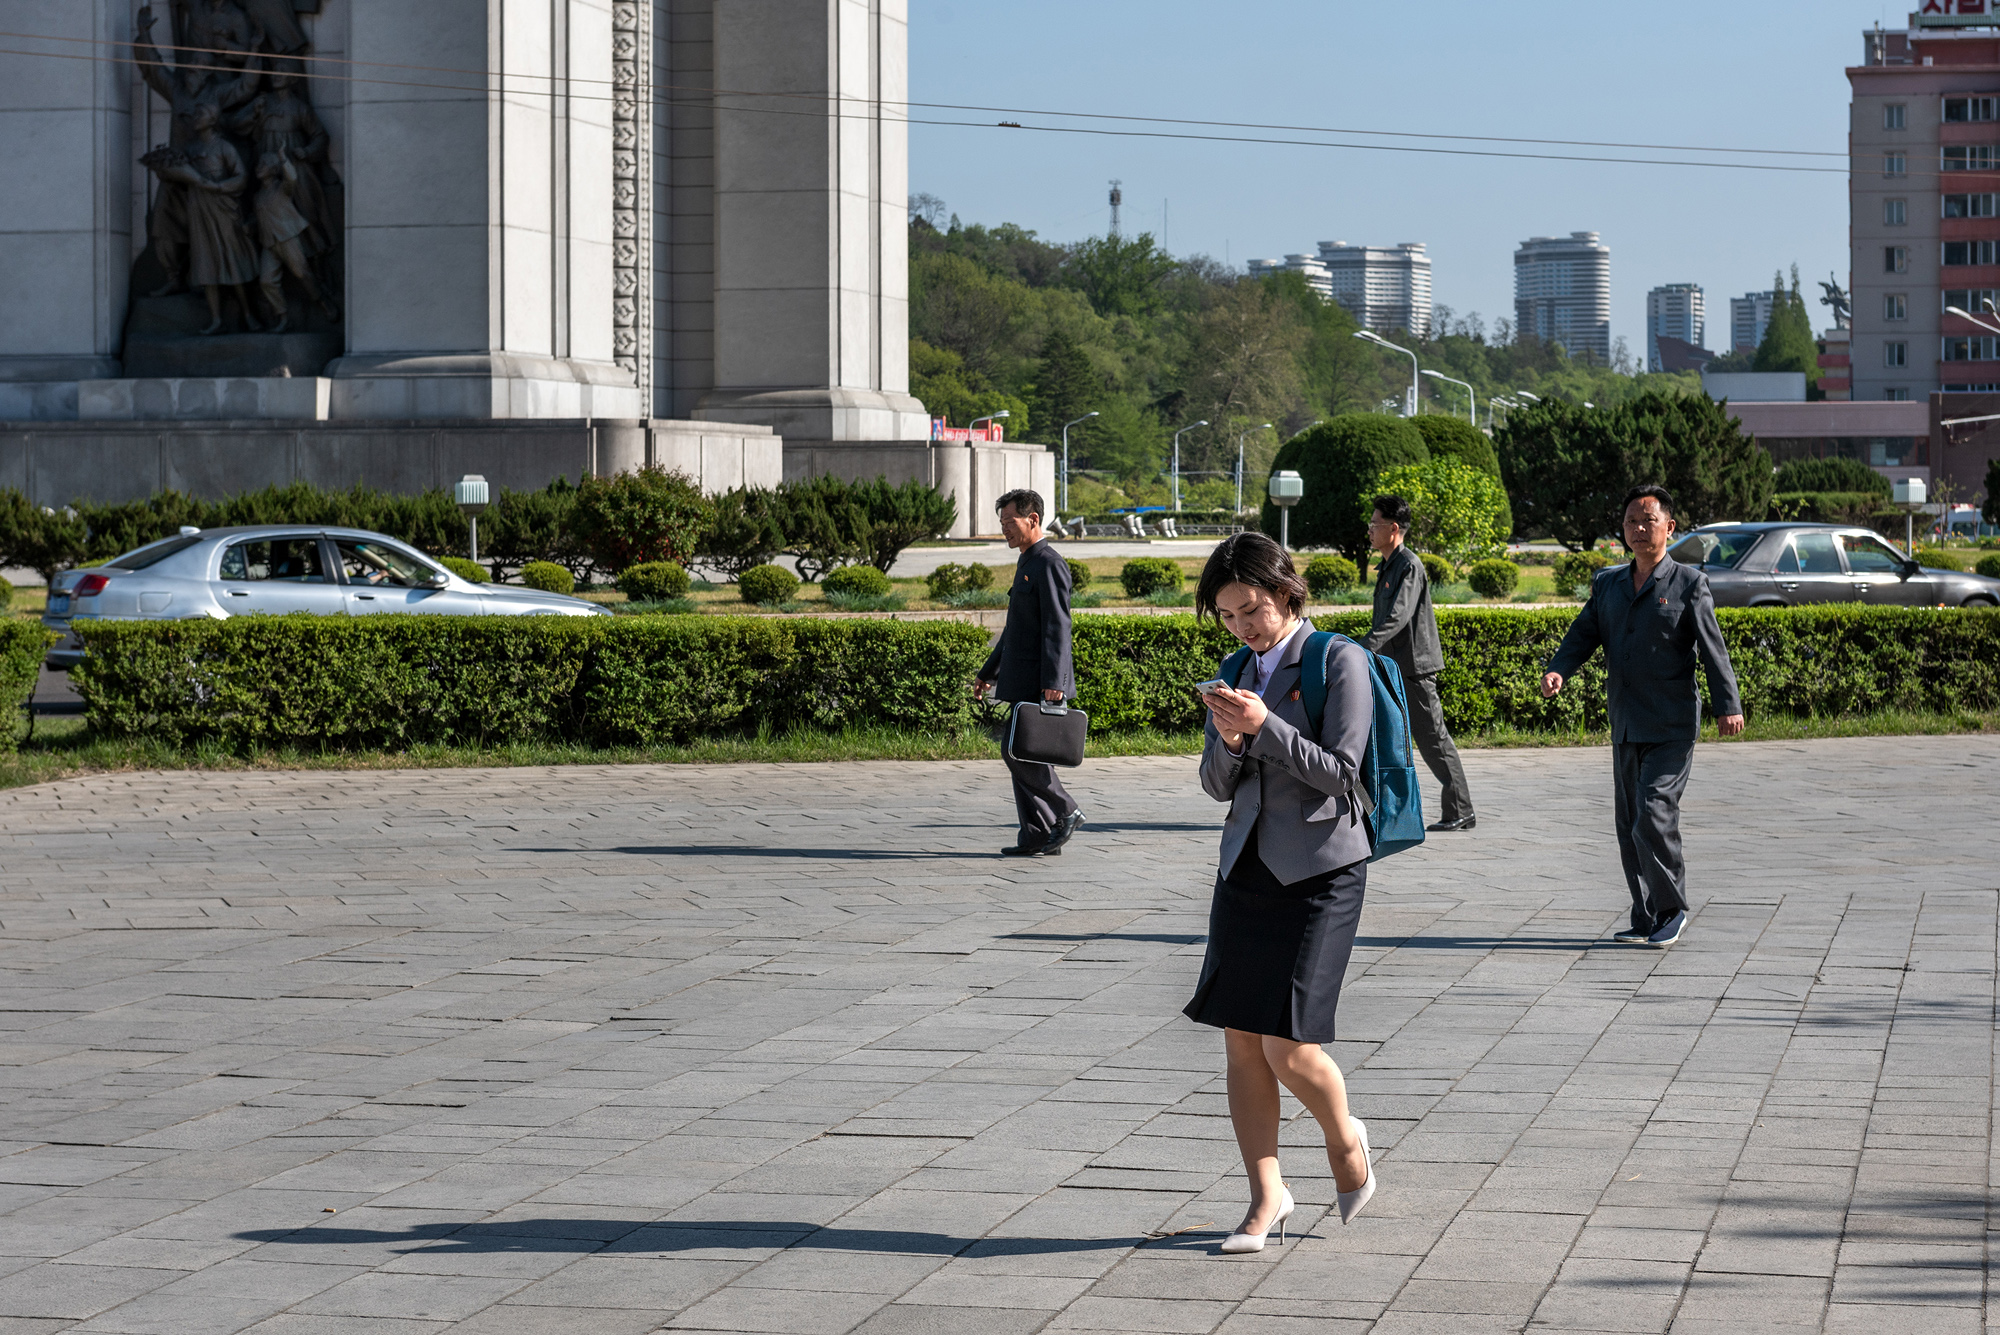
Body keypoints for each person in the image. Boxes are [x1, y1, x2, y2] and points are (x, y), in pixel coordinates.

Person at [1183, 531, 1378, 1254]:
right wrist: (1230, 744)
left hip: (1323, 870)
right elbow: (1213, 786)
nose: (1243, 627)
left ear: (1288, 593)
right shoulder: (1235, 668)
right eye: (1229, 615)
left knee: (1288, 1045)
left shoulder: (1338, 660)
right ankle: (1267, 1196)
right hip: (1246, 870)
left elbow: (1341, 773)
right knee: (1241, 1042)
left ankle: (1345, 1137)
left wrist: (1264, 728)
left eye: (1253, 609)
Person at [1542, 484, 1745, 948]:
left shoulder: (1689, 584)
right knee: (1628, 824)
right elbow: (1582, 635)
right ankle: (1645, 913)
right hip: (1627, 721)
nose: (1638, 528)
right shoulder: (1608, 583)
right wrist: (1558, 670)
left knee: (1654, 814)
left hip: (1672, 724)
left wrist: (1727, 705)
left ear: (1669, 528)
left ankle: (1671, 909)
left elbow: (1714, 650)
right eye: (1631, 520)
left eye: (1648, 520)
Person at [971, 489, 1082, 857]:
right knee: (1023, 753)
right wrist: (989, 672)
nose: (1004, 529)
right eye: (1001, 522)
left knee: (1017, 752)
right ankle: (1037, 834)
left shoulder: (1049, 563)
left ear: (1032, 520)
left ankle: (1065, 810)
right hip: (1022, 679)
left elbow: (1057, 627)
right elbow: (1015, 629)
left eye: (1009, 522)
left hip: (1041, 682)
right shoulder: (1027, 561)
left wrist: (1055, 682)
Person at [1362, 494, 1476, 832]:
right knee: (1386, 740)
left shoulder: (1409, 565)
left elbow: (1398, 615)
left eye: (1375, 524)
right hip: (1391, 667)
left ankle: (1460, 809)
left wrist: (1365, 646)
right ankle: (1384, 810)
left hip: (1413, 667)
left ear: (1394, 529)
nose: (1370, 530)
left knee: (1433, 740)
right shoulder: (1387, 566)